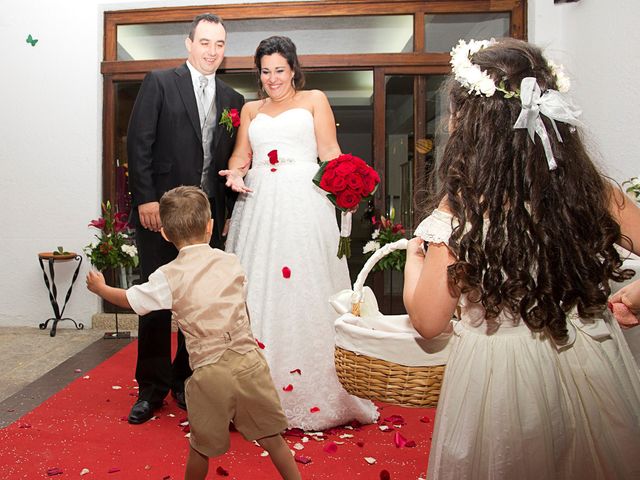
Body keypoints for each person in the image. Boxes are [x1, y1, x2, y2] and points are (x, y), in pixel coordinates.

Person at [403, 38, 640, 479]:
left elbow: (428, 321)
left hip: (502, 378)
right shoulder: (591, 189)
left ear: (471, 123)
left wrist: (415, 259)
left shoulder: (461, 210)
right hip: (591, 363)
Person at [219, 35, 379, 431]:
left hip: (304, 202)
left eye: (279, 70)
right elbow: (242, 155)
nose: (272, 78)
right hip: (259, 204)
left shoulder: (314, 100)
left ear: (293, 69)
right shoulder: (251, 108)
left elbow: (329, 152)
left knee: (307, 286)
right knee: (257, 286)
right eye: (265, 71)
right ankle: (257, 388)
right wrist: (237, 172)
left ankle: (316, 389)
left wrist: (348, 182)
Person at [86, 186, 301, 480]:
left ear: (164, 233)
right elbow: (243, 306)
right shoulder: (231, 261)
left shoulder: (168, 276)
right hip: (249, 361)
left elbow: (133, 300)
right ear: (210, 226)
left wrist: (101, 288)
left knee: (201, 448)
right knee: (272, 438)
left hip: (209, 372)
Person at [126, 13, 244, 424]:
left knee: (198, 303)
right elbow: (139, 141)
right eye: (205, 42)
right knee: (157, 300)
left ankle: (184, 380)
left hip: (206, 217)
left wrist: (225, 213)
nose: (212, 51)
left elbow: (228, 162)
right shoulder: (160, 82)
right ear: (189, 43)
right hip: (161, 211)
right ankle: (151, 389)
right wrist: (145, 198)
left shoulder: (233, 99)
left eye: (220, 44)